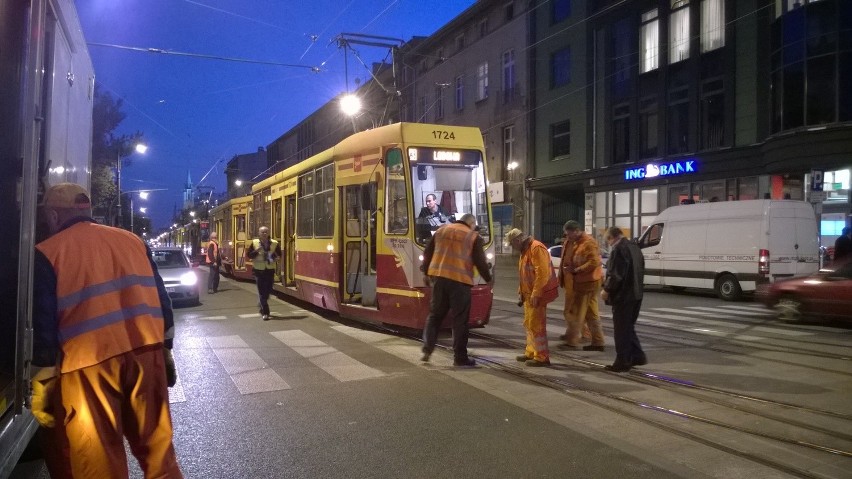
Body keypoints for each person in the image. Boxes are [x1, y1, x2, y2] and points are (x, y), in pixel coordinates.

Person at [31, 183, 182, 478]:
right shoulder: (133, 240)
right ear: (88, 210)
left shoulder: (48, 252)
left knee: (99, 461)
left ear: (52, 215)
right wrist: (165, 350)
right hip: (146, 355)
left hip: (89, 367)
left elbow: (44, 322)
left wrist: (43, 378)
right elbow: (161, 299)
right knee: (159, 454)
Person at [420, 213, 493, 367]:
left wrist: (426, 272)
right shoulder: (472, 236)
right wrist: (488, 279)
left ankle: (427, 350)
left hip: (439, 279)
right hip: (460, 282)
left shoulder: (441, 230)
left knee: (435, 316)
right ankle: (460, 358)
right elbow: (480, 262)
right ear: (471, 223)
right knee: (460, 321)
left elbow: (428, 252)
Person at [506, 228, 558, 367]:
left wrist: (536, 293)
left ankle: (542, 357)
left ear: (517, 240)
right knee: (529, 324)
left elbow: (542, 274)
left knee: (537, 325)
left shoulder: (536, 248)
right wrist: (520, 291)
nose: (512, 247)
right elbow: (525, 274)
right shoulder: (526, 250)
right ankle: (531, 351)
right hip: (528, 295)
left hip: (537, 295)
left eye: (512, 244)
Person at [601, 226, 647, 372]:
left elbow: (616, 275)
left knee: (621, 330)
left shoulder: (618, 249)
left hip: (623, 296)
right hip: (637, 294)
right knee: (628, 327)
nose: (609, 244)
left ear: (611, 238)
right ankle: (637, 355)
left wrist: (606, 290)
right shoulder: (635, 247)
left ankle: (622, 361)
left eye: (607, 241)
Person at [561, 220, 606, 352]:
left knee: (576, 313)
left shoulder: (588, 243)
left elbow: (595, 261)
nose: (568, 237)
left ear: (576, 231)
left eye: (569, 234)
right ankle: (598, 342)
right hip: (584, 282)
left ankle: (572, 341)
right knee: (592, 314)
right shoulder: (577, 243)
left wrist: (577, 270)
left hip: (587, 283)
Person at [246, 226, 281, 320]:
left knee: (268, 290)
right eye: (262, 232)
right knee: (261, 292)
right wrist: (257, 250)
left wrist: (275, 257)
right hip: (258, 270)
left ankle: (262, 302)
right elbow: (249, 255)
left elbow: (279, 255)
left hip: (270, 270)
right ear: (259, 233)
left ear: (268, 233)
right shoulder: (254, 243)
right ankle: (265, 312)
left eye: (266, 232)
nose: (264, 234)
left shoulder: (274, 243)